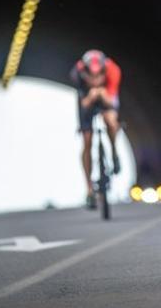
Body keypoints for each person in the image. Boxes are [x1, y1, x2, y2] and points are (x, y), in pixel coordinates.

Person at [70, 49, 122, 209]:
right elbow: (83, 104)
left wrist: (100, 93)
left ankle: (113, 151)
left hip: (106, 97)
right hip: (87, 98)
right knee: (87, 140)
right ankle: (89, 189)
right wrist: (92, 95)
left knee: (111, 122)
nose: (94, 80)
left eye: (98, 76)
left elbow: (112, 102)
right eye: (90, 77)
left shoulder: (113, 71)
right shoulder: (77, 73)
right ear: (84, 72)